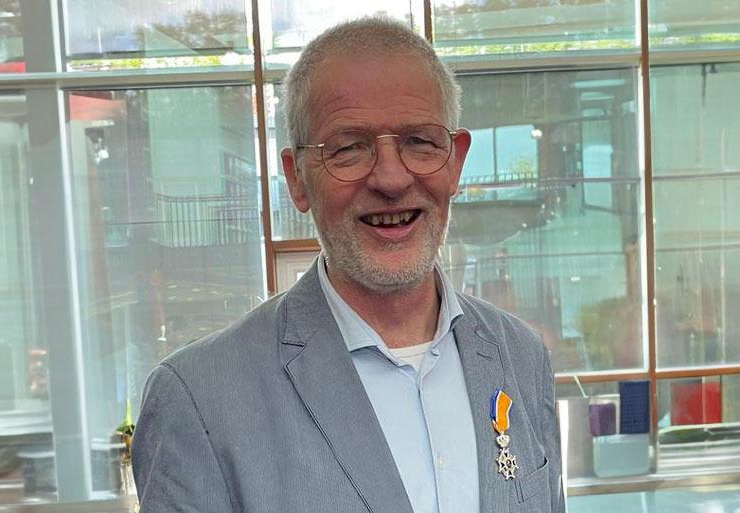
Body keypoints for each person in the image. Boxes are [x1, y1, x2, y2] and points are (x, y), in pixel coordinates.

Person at [132, 16, 565, 513]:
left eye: (419, 142)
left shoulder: (520, 357)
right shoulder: (199, 399)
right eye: (349, 148)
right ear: (297, 179)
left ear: (455, 162)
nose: (391, 179)